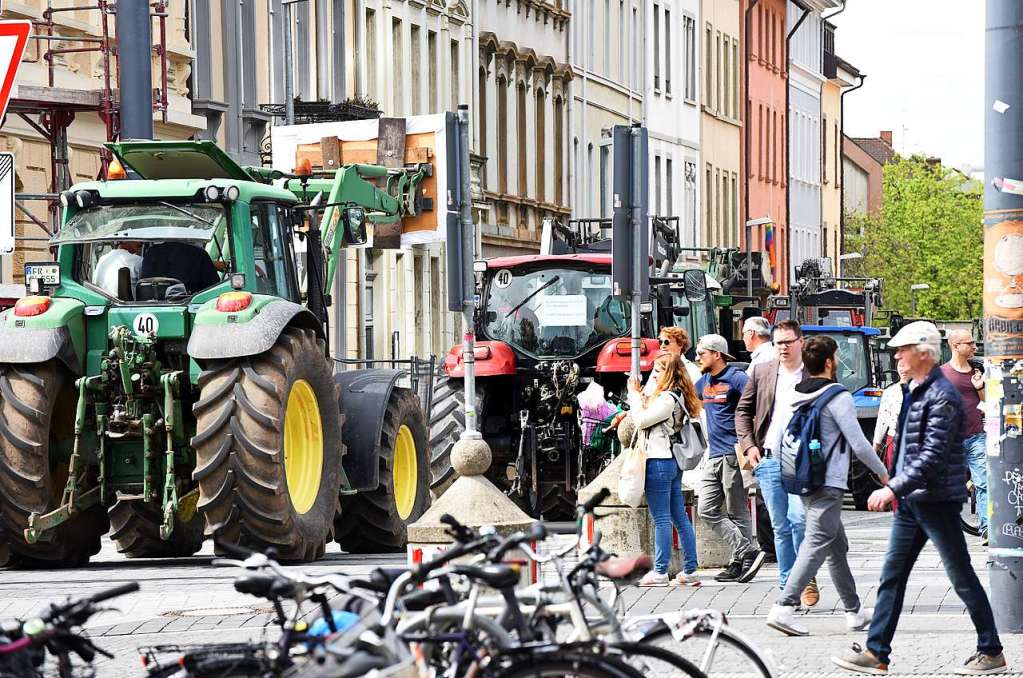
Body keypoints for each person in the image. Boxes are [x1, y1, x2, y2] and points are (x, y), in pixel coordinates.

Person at [834, 321, 1007, 676]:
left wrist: (891, 487)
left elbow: (931, 456)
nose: (896, 355)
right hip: (915, 501)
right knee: (892, 576)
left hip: (936, 500)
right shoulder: (916, 389)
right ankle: (876, 652)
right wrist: (894, 482)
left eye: (903, 349)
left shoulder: (942, 396)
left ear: (924, 353)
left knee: (960, 576)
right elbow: (910, 450)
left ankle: (991, 650)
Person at [765, 335, 889, 637]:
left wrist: (787, 474)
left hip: (803, 477)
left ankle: (854, 611)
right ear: (831, 362)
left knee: (837, 546)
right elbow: (858, 444)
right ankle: (784, 607)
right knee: (816, 543)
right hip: (829, 482)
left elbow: (779, 436)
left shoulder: (795, 393)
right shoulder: (838, 396)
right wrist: (884, 473)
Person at [736, 319, 814, 602]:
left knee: (798, 520)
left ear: (800, 342)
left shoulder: (814, 372)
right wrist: (748, 446)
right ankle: (787, 588)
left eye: (787, 342)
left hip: (802, 459)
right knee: (780, 525)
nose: (782, 347)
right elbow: (742, 410)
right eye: (778, 342)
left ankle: (804, 575)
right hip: (768, 459)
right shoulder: (762, 371)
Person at [694, 334, 765, 583]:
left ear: (717, 354)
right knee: (706, 509)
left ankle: (739, 562)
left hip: (733, 453)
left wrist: (749, 444)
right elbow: (689, 404)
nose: (698, 358)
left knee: (737, 511)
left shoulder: (736, 378)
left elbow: (754, 408)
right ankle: (747, 551)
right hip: (713, 455)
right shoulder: (702, 381)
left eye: (702, 353)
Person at [628, 353, 701, 586]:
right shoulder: (677, 395)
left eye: (657, 372)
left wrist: (633, 396)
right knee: (679, 517)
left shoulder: (668, 398)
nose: (653, 376)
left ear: (667, 373)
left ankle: (660, 571)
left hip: (658, 461)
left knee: (661, 518)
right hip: (670, 462)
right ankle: (689, 569)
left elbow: (640, 421)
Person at [942, 329, 988, 542]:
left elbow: (986, 402)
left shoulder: (977, 371)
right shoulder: (942, 374)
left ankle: (986, 527)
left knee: (984, 482)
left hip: (976, 435)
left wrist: (979, 387)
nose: (974, 347)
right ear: (955, 346)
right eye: (969, 343)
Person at [140, 241, 220, 293]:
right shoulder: (199, 254)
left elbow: (144, 281)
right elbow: (214, 288)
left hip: (151, 304)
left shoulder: (151, 252)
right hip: (188, 304)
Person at [873, 360, 910, 470]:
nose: (903, 369)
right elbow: (882, 420)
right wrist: (876, 445)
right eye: (900, 365)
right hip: (894, 440)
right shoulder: (890, 392)